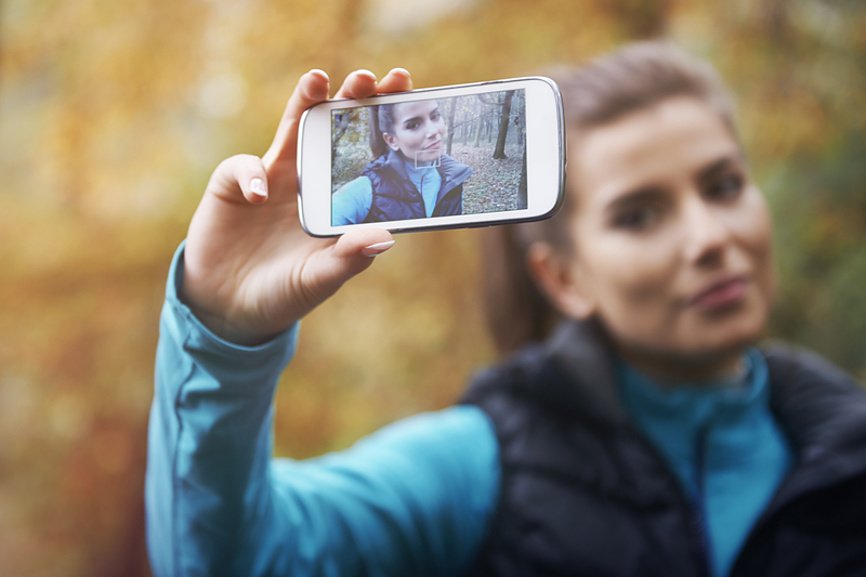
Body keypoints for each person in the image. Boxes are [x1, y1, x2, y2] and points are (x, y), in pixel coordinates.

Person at [146, 47, 866, 577]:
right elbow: (231, 560)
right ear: (563, 279)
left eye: (724, 184)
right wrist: (224, 334)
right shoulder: (478, 467)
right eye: (640, 215)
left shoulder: (845, 444)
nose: (712, 237)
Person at [331, 99, 473, 225]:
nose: (433, 131)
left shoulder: (453, 179)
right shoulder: (364, 190)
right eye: (413, 125)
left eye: (435, 116)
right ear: (392, 140)